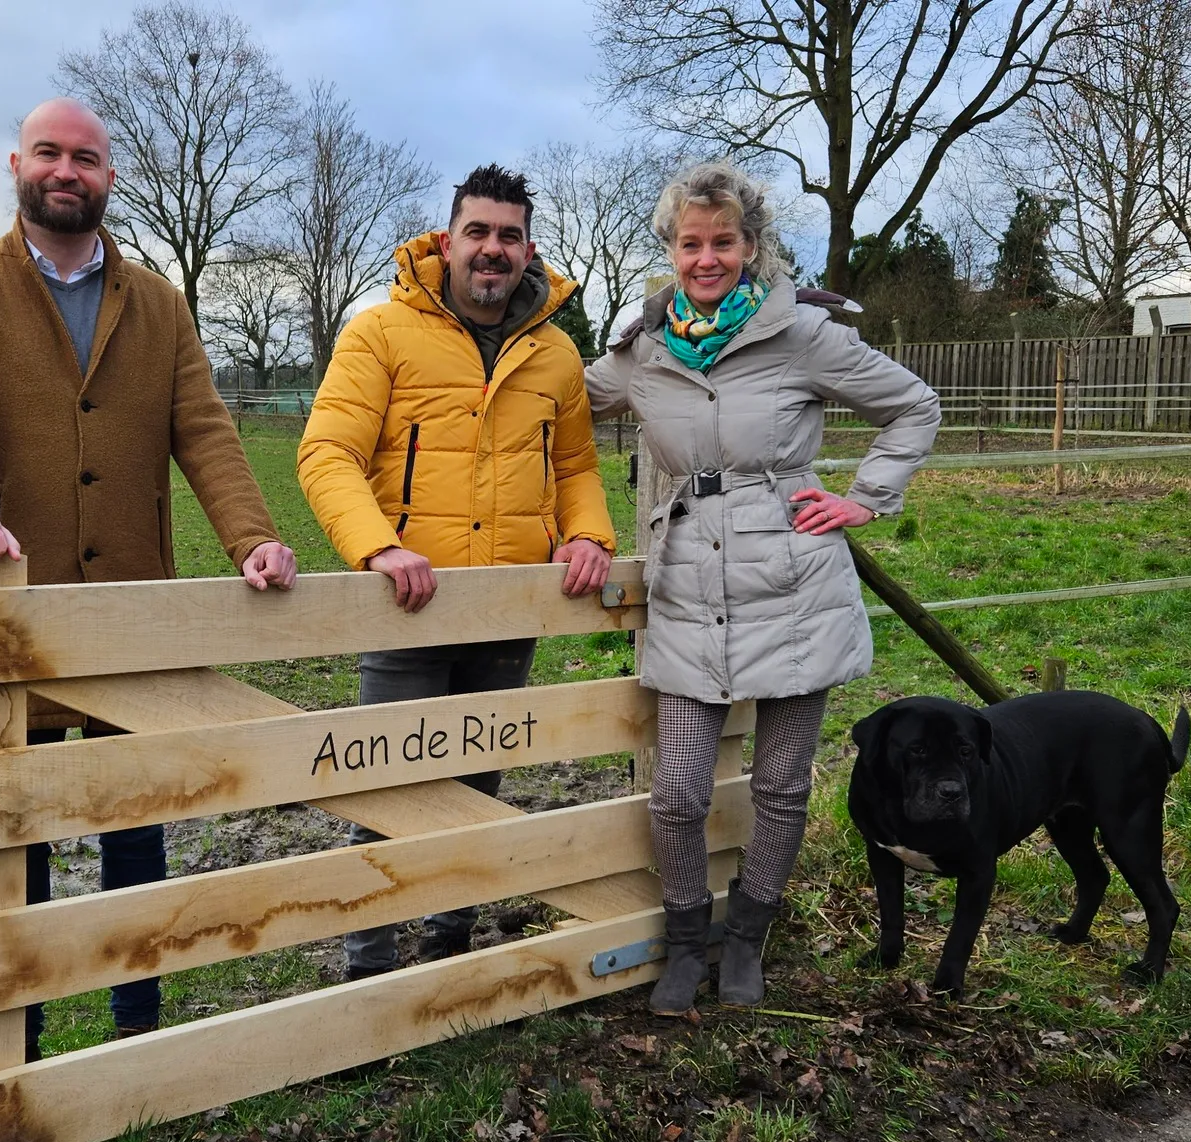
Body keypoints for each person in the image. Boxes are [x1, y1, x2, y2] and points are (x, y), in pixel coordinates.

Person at [0, 98, 298, 1052]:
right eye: (48, 153)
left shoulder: (157, 301)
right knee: (15, 826)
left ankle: (135, 1026)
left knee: (134, 819)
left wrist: (252, 539)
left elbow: (203, 428)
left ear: (111, 177)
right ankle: (17, 1035)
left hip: (130, 612)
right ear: (17, 165)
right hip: (8, 614)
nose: (65, 170)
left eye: (86, 157)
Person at [586, 162, 940, 1014]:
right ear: (670, 250)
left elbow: (913, 406)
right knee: (677, 790)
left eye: (724, 242)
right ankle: (684, 939)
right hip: (685, 589)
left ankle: (747, 936)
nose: (707, 259)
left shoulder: (800, 335)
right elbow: (555, 405)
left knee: (781, 784)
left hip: (793, 586)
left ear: (751, 246)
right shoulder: (641, 349)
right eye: (690, 243)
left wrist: (862, 499)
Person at [298, 164, 618, 979]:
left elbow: (577, 465)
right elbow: (328, 452)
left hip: (508, 604)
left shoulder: (555, 355)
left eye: (509, 235)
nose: (493, 249)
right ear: (448, 241)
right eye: (478, 232)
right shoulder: (379, 333)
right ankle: (367, 962)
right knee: (383, 784)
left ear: (528, 248)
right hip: (407, 602)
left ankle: (448, 943)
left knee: (477, 779)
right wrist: (379, 547)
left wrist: (588, 535)